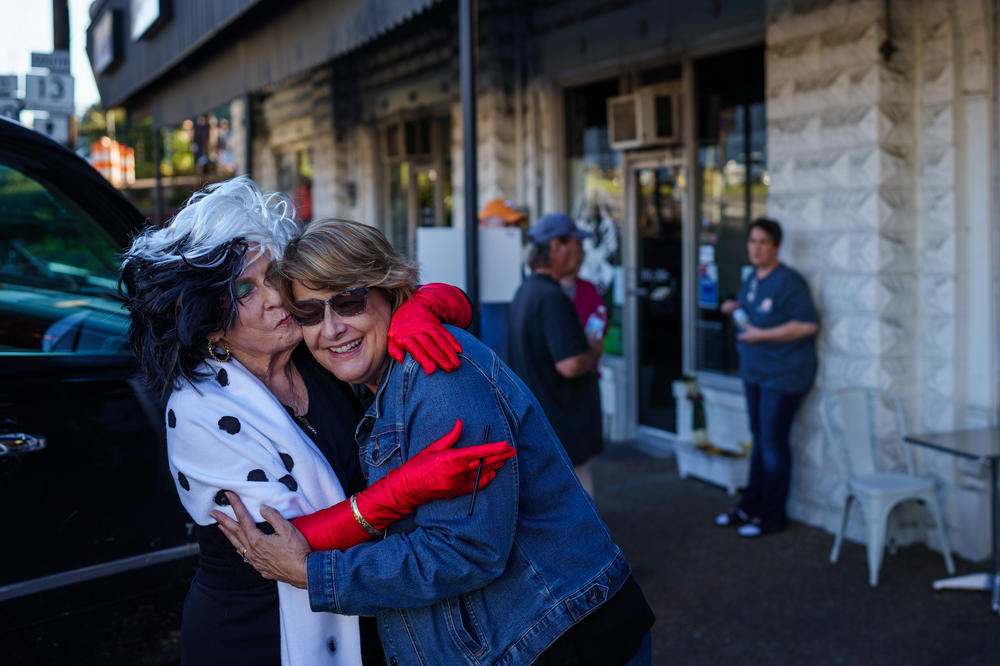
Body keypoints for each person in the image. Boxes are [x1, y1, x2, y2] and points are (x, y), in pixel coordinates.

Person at [214, 218, 655, 665]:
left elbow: (466, 549)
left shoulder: (436, 374)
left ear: (389, 293)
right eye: (310, 312)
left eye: (348, 302)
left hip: (558, 643)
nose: (331, 328)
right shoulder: (361, 382)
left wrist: (316, 575)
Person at [119, 177, 514, 665]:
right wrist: (405, 490)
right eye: (244, 289)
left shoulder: (313, 351)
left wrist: (421, 307)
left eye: (274, 277)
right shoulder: (199, 409)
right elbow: (281, 541)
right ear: (206, 318)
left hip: (356, 607)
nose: (274, 299)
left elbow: (401, 294)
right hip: (258, 633)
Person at [715, 218, 819, 537]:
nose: (756, 248)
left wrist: (763, 335)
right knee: (760, 440)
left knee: (772, 443)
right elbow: (752, 313)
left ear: (776, 246)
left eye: (763, 242)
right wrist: (735, 307)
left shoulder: (789, 281)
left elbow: (807, 325)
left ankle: (772, 516)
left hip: (783, 375)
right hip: (755, 373)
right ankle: (750, 507)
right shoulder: (753, 280)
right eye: (752, 241)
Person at [507, 212, 604, 495]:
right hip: (561, 431)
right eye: (576, 244)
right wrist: (594, 350)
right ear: (557, 246)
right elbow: (570, 364)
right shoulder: (551, 297)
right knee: (577, 518)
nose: (581, 252)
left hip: (542, 428)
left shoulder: (526, 291)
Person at [477, 197, 528, 359]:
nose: (513, 230)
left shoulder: (514, 266)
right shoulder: (469, 262)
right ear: (483, 225)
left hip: (512, 356)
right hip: (480, 356)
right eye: (506, 225)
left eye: (516, 225)